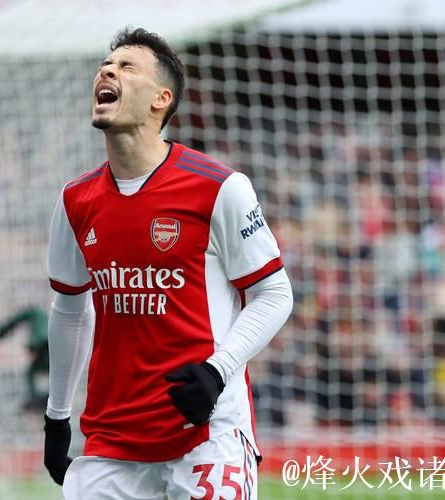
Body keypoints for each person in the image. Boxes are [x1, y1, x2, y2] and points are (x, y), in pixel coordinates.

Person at [44, 27, 293, 499]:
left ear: (162, 99)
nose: (107, 72)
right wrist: (56, 417)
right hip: (112, 439)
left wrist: (218, 371)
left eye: (126, 66)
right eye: (105, 65)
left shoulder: (219, 187)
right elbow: (70, 309)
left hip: (208, 429)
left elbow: (274, 293)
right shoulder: (74, 201)